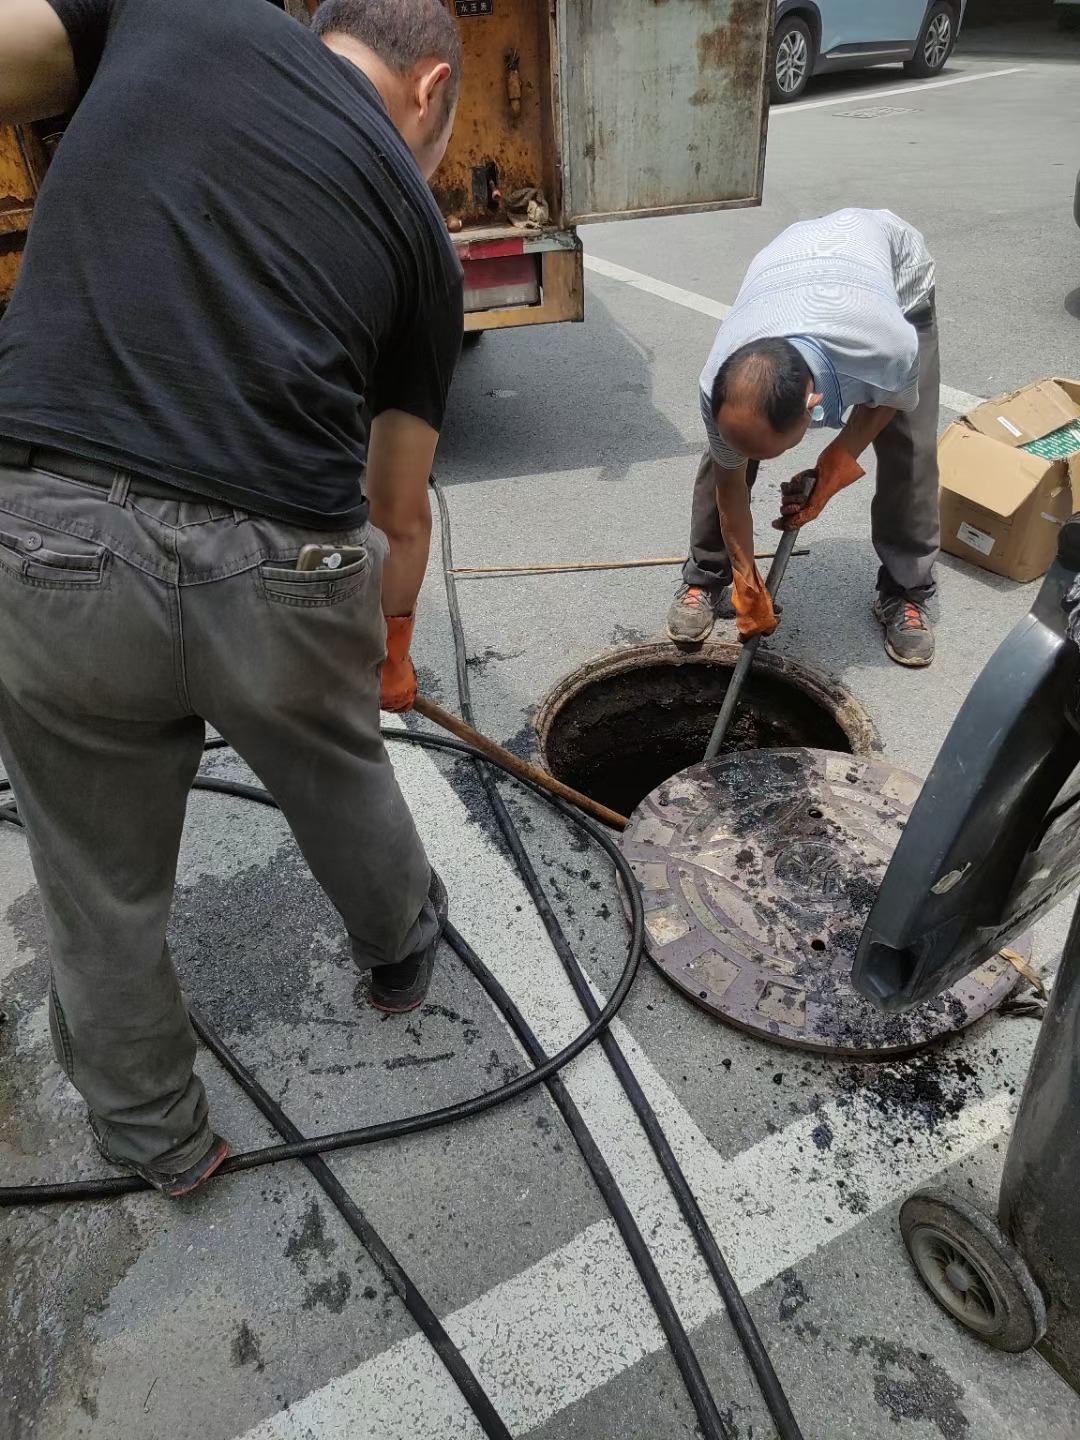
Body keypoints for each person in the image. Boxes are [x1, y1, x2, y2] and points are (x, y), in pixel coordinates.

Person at [0, 0, 464, 1197]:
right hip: (284, 569)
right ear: (429, 90)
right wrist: (387, 652)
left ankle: (159, 1139)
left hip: (50, 543)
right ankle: (401, 955)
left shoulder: (173, 9)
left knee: (98, 887)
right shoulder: (419, 230)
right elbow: (398, 507)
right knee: (342, 769)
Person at [666, 208, 940, 668]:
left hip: (896, 274)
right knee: (724, 457)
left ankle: (906, 590)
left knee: (909, 442)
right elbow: (730, 486)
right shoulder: (717, 379)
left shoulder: (887, 347)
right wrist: (748, 580)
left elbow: (888, 403)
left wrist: (835, 463)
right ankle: (707, 575)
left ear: (813, 405)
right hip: (787, 265)